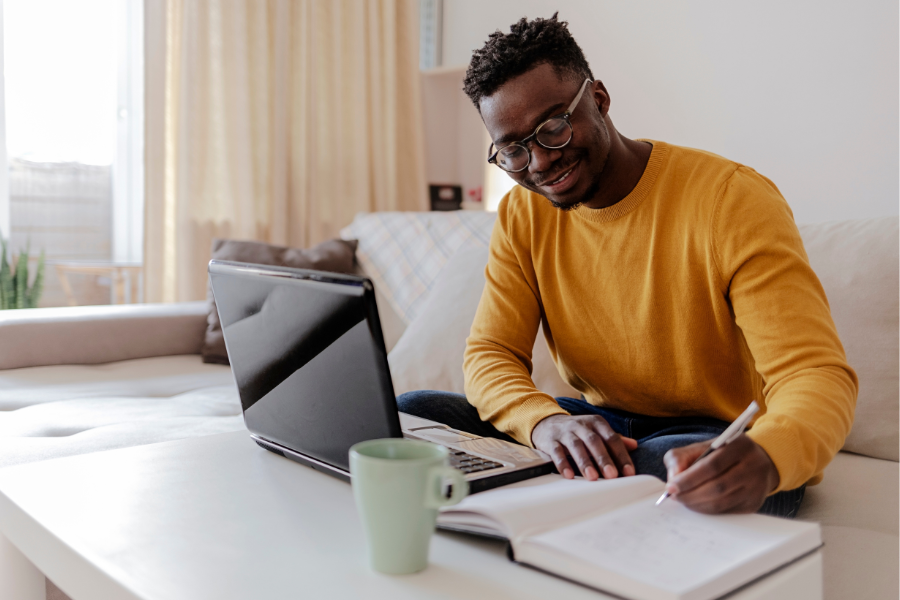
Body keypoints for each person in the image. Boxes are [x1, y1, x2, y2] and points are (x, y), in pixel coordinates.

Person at [398, 14, 857, 517]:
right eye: (513, 150)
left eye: (553, 128)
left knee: (676, 467)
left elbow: (814, 373)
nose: (540, 162)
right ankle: (575, 487)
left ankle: (559, 491)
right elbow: (491, 354)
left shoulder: (732, 199)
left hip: (713, 437)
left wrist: (769, 457)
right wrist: (545, 424)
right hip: (602, 426)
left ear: (598, 99)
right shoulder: (521, 215)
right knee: (411, 414)